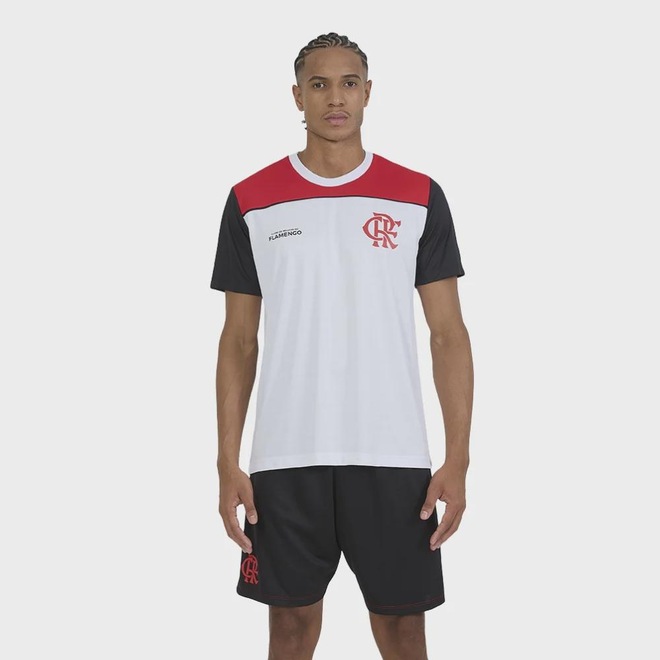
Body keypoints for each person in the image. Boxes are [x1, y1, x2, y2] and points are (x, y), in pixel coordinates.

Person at [210, 31, 473, 660]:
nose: (336, 98)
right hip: (285, 455)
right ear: (297, 96)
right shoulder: (251, 200)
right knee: (290, 629)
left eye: (349, 83)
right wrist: (227, 462)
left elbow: (448, 334)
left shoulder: (418, 195)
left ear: (368, 93)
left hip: (393, 452)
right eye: (320, 84)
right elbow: (238, 340)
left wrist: (458, 457)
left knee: (403, 630)